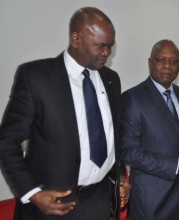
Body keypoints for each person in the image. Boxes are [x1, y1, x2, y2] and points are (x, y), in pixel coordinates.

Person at [0, 7, 129, 220]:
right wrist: (32, 193)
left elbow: (112, 138)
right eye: (101, 46)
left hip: (99, 200)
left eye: (110, 47)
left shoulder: (111, 79)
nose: (107, 53)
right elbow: (6, 141)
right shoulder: (36, 77)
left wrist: (120, 175)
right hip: (52, 205)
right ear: (76, 39)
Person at [120, 39, 179, 220]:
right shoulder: (132, 98)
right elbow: (128, 152)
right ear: (150, 62)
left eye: (173, 62)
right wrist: (177, 165)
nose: (167, 67)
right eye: (160, 60)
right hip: (152, 200)